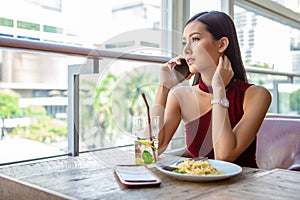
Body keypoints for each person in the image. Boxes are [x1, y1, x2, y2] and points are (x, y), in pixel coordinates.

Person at [153, 11, 272, 168]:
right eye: (184, 42)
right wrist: (164, 87)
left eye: (195, 39)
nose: (186, 50)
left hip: (243, 189)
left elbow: (223, 156)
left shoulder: (257, 95)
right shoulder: (180, 96)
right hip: (192, 188)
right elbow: (152, 149)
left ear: (221, 44)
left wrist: (218, 90)